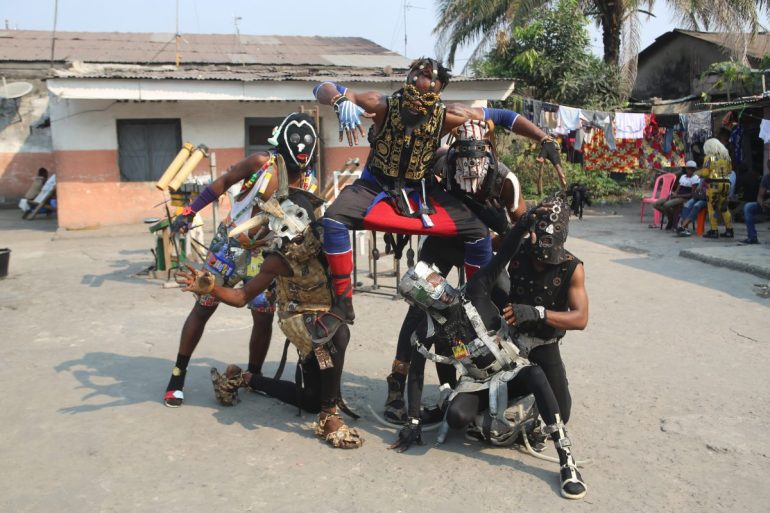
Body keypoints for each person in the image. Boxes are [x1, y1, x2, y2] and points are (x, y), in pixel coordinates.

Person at [312, 57, 564, 324]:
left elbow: (503, 116)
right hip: (375, 186)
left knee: (477, 232)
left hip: (421, 191)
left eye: (426, 94)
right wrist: (338, 100)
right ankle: (343, 302)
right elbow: (322, 87)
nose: (416, 101)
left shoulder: (450, 119)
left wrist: (545, 138)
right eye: (414, 87)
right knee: (333, 218)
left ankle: (476, 300)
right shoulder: (381, 104)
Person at [391, 195, 587, 500]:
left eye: (435, 278)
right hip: (478, 381)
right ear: (421, 302)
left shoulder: (476, 288)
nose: (438, 288)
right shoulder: (426, 332)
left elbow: (502, 252)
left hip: (516, 361)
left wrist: (524, 221)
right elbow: (416, 375)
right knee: (456, 417)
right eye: (428, 289)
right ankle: (481, 415)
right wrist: (413, 421)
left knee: (538, 378)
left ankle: (566, 459)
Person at [176, 191, 363, 449]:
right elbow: (242, 296)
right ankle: (329, 415)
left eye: (298, 218)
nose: (294, 230)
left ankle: (245, 378)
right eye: (284, 224)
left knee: (311, 399)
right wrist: (212, 289)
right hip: (298, 317)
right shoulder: (277, 260)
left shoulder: (327, 238)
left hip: (326, 313)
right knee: (333, 337)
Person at [162, 112, 318, 407]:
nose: (302, 146)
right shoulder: (262, 164)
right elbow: (223, 182)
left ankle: (253, 376)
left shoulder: (310, 182)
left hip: (266, 254)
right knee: (204, 306)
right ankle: (177, 375)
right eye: (296, 139)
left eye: (308, 140)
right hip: (229, 246)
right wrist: (189, 212)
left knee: (263, 315)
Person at [384, 118, 531, 423]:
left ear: (488, 153)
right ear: (454, 154)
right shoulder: (440, 164)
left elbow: (523, 232)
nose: (469, 170)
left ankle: (518, 373)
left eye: (476, 161)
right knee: (420, 308)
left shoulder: (505, 181)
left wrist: (498, 233)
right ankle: (397, 382)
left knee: (505, 300)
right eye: (463, 160)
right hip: (443, 242)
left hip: (484, 245)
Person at [700, 138, 735, 239]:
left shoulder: (709, 157)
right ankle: (729, 230)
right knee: (724, 207)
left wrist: (701, 174)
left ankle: (714, 230)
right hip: (726, 184)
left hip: (714, 184)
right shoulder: (727, 157)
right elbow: (730, 171)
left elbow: (705, 173)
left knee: (712, 208)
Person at [653, 161, 699, 230]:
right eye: (688, 168)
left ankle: (672, 219)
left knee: (666, 205)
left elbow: (692, 194)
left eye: (691, 169)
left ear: (694, 170)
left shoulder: (695, 178)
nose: (689, 170)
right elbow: (678, 189)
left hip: (685, 198)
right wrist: (673, 194)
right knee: (656, 204)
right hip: (678, 196)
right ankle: (671, 218)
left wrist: (677, 196)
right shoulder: (683, 176)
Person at [740, 171, 770, 244]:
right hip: (767, 206)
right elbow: (760, 196)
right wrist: (762, 203)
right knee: (748, 207)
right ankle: (752, 237)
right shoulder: (766, 178)